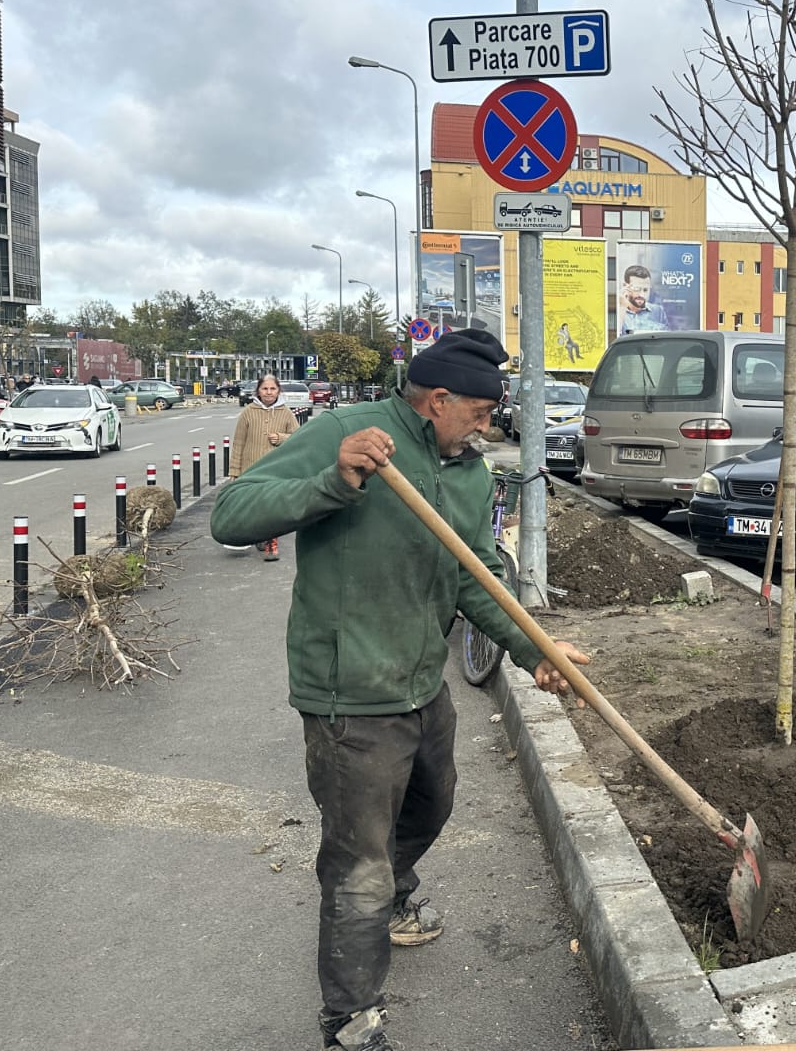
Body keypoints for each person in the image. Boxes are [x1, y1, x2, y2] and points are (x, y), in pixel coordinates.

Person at [210, 329, 589, 1051]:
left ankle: (391, 898)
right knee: (358, 863)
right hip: (350, 693)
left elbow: (476, 574)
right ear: (438, 399)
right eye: (478, 411)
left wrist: (531, 647)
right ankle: (349, 1020)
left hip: (420, 681)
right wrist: (334, 482)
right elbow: (232, 516)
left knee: (433, 802)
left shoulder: (469, 472)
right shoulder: (351, 433)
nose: (488, 425)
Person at [227, 373, 300, 560]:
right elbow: (238, 443)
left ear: (278, 391)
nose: (269, 392)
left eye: (272, 389)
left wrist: (282, 438)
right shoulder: (248, 412)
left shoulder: (285, 412)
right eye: (265, 389)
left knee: (271, 507)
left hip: (275, 470)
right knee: (254, 506)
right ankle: (258, 535)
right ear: (258, 391)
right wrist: (235, 471)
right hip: (250, 469)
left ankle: (271, 545)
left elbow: (300, 438)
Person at [619, 263, 669, 334]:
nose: (642, 295)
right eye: (637, 289)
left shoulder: (658, 311)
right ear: (625, 286)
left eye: (645, 290)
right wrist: (622, 307)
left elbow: (666, 338)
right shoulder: (619, 312)